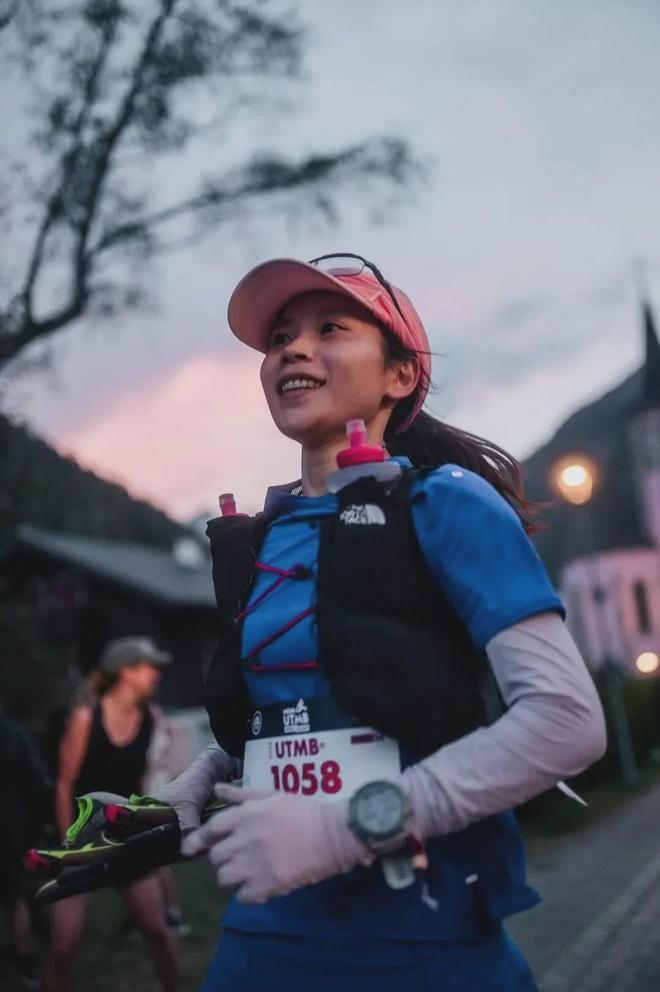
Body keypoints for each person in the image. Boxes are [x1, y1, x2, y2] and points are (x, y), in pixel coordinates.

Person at [158, 253, 607, 991]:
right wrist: (192, 785)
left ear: (400, 376)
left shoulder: (443, 503)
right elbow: (305, 720)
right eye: (279, 338)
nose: (292, 349)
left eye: (330, 328)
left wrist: (345, 828)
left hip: (420, 946)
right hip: (258, 943)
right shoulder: (260, 538)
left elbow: (567, 722)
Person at [42, 637, 179, 992]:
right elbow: (63, 785)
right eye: (149, 667)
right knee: (63, 949)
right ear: (126, 672)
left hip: (127, 840)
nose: (156, 675)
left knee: (159, 934)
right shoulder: (86, 719)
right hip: (83, 840)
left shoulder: (150, 718)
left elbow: (163, 760)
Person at [0, 710, 47, 987]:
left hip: (13, 828)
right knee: (18, 896)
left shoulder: (15, 736)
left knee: (16, 896)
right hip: (15, 829)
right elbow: (36, 782)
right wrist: (40, 825)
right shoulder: (15, 735)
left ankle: (23, 958)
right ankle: (25, 961)